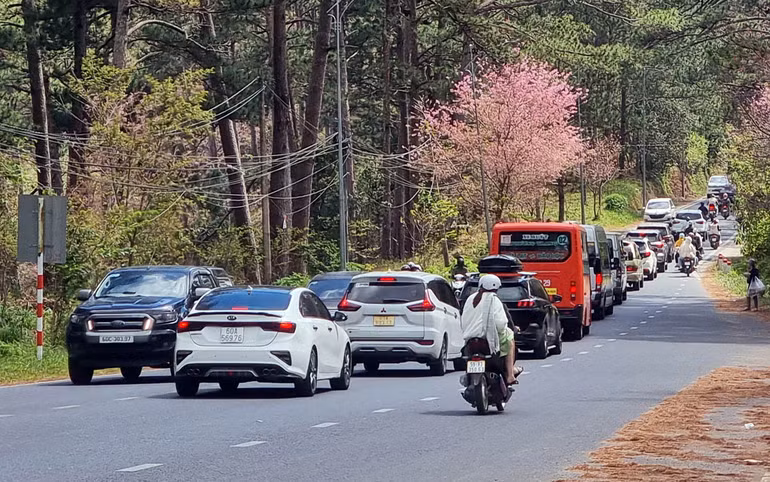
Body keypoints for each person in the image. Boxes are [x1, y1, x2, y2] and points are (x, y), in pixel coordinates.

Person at [461, 274, 521, 385]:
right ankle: (510, 375)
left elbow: (463, 319)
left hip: (469, 337)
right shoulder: (494, 300)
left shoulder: (470, 298)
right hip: (488, 338)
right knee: (510, 337)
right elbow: (501, 323)